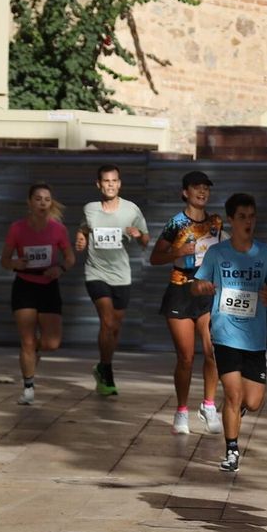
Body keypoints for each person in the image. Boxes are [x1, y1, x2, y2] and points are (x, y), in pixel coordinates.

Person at [190, 193, 267, 472]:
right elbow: (197, 283)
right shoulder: (217, 253)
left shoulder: (265, 253)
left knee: (252, 401)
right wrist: (201, 287)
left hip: (255, 337)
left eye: (252, 216)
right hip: (225, 333)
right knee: (234, 393)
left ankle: (232, 411)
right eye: (242, 217)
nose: (248, 222)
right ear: (231, 220)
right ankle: (232, 451)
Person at [151, 171, 225, 434]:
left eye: (206, 188)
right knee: (185, 357)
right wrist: (177, 252)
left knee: (213, 351)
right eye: (197, 188)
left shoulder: (216, 222)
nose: (202, 192)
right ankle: (181, 410)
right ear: (186, 193)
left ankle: (208, 405)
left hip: (206, 291)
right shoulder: (176, 223)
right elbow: (155, 257)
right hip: (180, 290)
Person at [74, 164, 149, 396]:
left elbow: (146, 239)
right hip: (96, 272)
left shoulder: (131, 210)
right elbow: (84, 229)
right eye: (106, 181)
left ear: (119, 183)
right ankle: (107, 370)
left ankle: (101, 365)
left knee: (115, 327)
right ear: (99, 184)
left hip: (121, 275)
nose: (110, 185)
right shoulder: (91, 208)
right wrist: (80, 240)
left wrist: (138, 236)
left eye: (114, 181)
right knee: (107, 322)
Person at [1, 183, 75, 405]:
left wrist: (60, 268)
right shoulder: (17, 228)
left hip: (48, 285)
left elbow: (70, 258)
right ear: (29, 202)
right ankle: (28, 388)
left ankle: (34, 353)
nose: (43, 203)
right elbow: (4, 260)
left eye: (47, 199)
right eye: (38, 199)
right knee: (26, 341)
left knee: (52, 343)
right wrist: (15, 263)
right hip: (24, 285)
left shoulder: (58, 229)